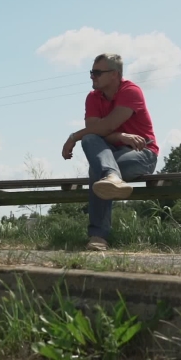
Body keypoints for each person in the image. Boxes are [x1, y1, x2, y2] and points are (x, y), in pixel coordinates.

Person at [62, 53, 159, 251]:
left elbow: (105, 127)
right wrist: (121, 136)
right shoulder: (93, 97)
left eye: (97, 72)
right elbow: (95, 132)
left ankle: (98, 236)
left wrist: (74, 137)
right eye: (91, 72)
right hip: (110, 154)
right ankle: (112, 176)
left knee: (97, 170)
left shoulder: (131, 91)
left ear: (114, 75)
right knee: (90, 140)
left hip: (142, 154)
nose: (92, 76)